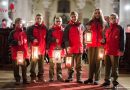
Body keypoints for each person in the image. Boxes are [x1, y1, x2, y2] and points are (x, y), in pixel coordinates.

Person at [101, 13, 125, 87]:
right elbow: (105, 39)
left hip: (115, 51)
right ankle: (107, 81)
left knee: (115, 67)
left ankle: (115, 81)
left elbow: (122, 40)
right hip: (107, 50)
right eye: (111, 18)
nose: (113, 19)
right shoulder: (108, 28)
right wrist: (103, 41)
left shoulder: (120, 28)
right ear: (110, 20)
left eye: (114, 18)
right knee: (107, 67)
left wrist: (121, 49)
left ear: (117, 19)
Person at [84, 8, 106, 85]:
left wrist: (104, 40)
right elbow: (85, 33)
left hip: (100, 46)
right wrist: (87, 31)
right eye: (96, 13)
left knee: (98, 62)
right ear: (94, 14)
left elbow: (106, 34)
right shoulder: (90, 22)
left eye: (98, 13)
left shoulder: (104, 23)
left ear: (100, 14)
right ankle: (90, 78)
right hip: (91, 45)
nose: (97, 14)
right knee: (91, 62)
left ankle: (96, 79)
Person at [63, 11, 84, 83]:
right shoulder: (68, 26)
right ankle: (70, 77)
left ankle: (79, 78)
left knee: (79, 65)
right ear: (70, 17)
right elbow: (65, 37)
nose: (74, 18)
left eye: (75, 16)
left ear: (77, 16)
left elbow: (84, 36)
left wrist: (85, 45)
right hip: (70, 48)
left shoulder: (81, 25)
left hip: (79, 48)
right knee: (70, 64)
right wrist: (67, 46)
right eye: (72, 17)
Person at [8, 18, 30, 85]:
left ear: (22, 24)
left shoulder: (25, 32)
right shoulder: (12, 32)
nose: (19, 24)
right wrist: (16, 42)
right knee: (16, 67)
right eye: (17, 23)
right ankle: (17, 79)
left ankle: (25, 79)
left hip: (24, 53)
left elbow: (28, 41)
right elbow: (9, 41)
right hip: (15, 53)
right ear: (15, 24)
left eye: (20, 23)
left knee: (24, 67)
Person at [27, 13, 48, 83]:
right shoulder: (31, 28)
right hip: (34, 49)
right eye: (37, 18)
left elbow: (47, 38)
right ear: (35, 19)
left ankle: (40, 77)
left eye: (40, 18)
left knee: (41, 64)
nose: (39, 20)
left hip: (42, 49)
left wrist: (47, 48)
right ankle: (33, 77)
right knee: (33, 64)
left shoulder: (45, 28)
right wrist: (33, 39)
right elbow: (28, 36)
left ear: (42, 19)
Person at [47, 16, 65, 82]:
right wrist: (54, 39)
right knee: (51, 65)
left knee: (59, 65)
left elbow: (65, 40)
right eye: (57, 21)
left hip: (60, 49)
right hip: (52, 49)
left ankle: (59, 77)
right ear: (54, 22)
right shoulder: (51, 30)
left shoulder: (63, 30)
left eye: (59, 21)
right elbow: (48, 39)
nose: (58, 22)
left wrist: (62, 46)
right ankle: (51, 77)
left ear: (61, 22)